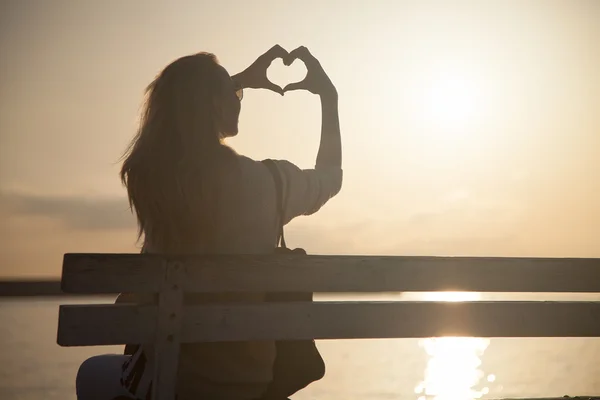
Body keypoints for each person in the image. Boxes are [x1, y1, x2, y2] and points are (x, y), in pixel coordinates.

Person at [75, 44, 342, 400]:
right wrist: (329, 97)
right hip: (249, 382)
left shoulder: (151, 179)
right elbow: (330, 177)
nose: (239, 98)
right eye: (232, 93)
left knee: (89, 374)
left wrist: (233, 83)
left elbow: (181, 109)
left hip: (169, 382)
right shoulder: (271, 184)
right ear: (216, 104)